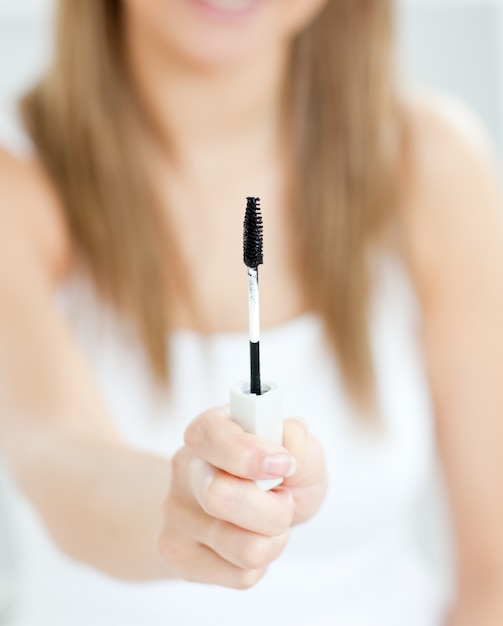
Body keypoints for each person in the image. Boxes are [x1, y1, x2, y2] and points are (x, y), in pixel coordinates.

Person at [0, 0, 503, 624]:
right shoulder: (15, 189)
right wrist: (186, 505)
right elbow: (58, 456)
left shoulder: (434, 165)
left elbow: (495, 585)